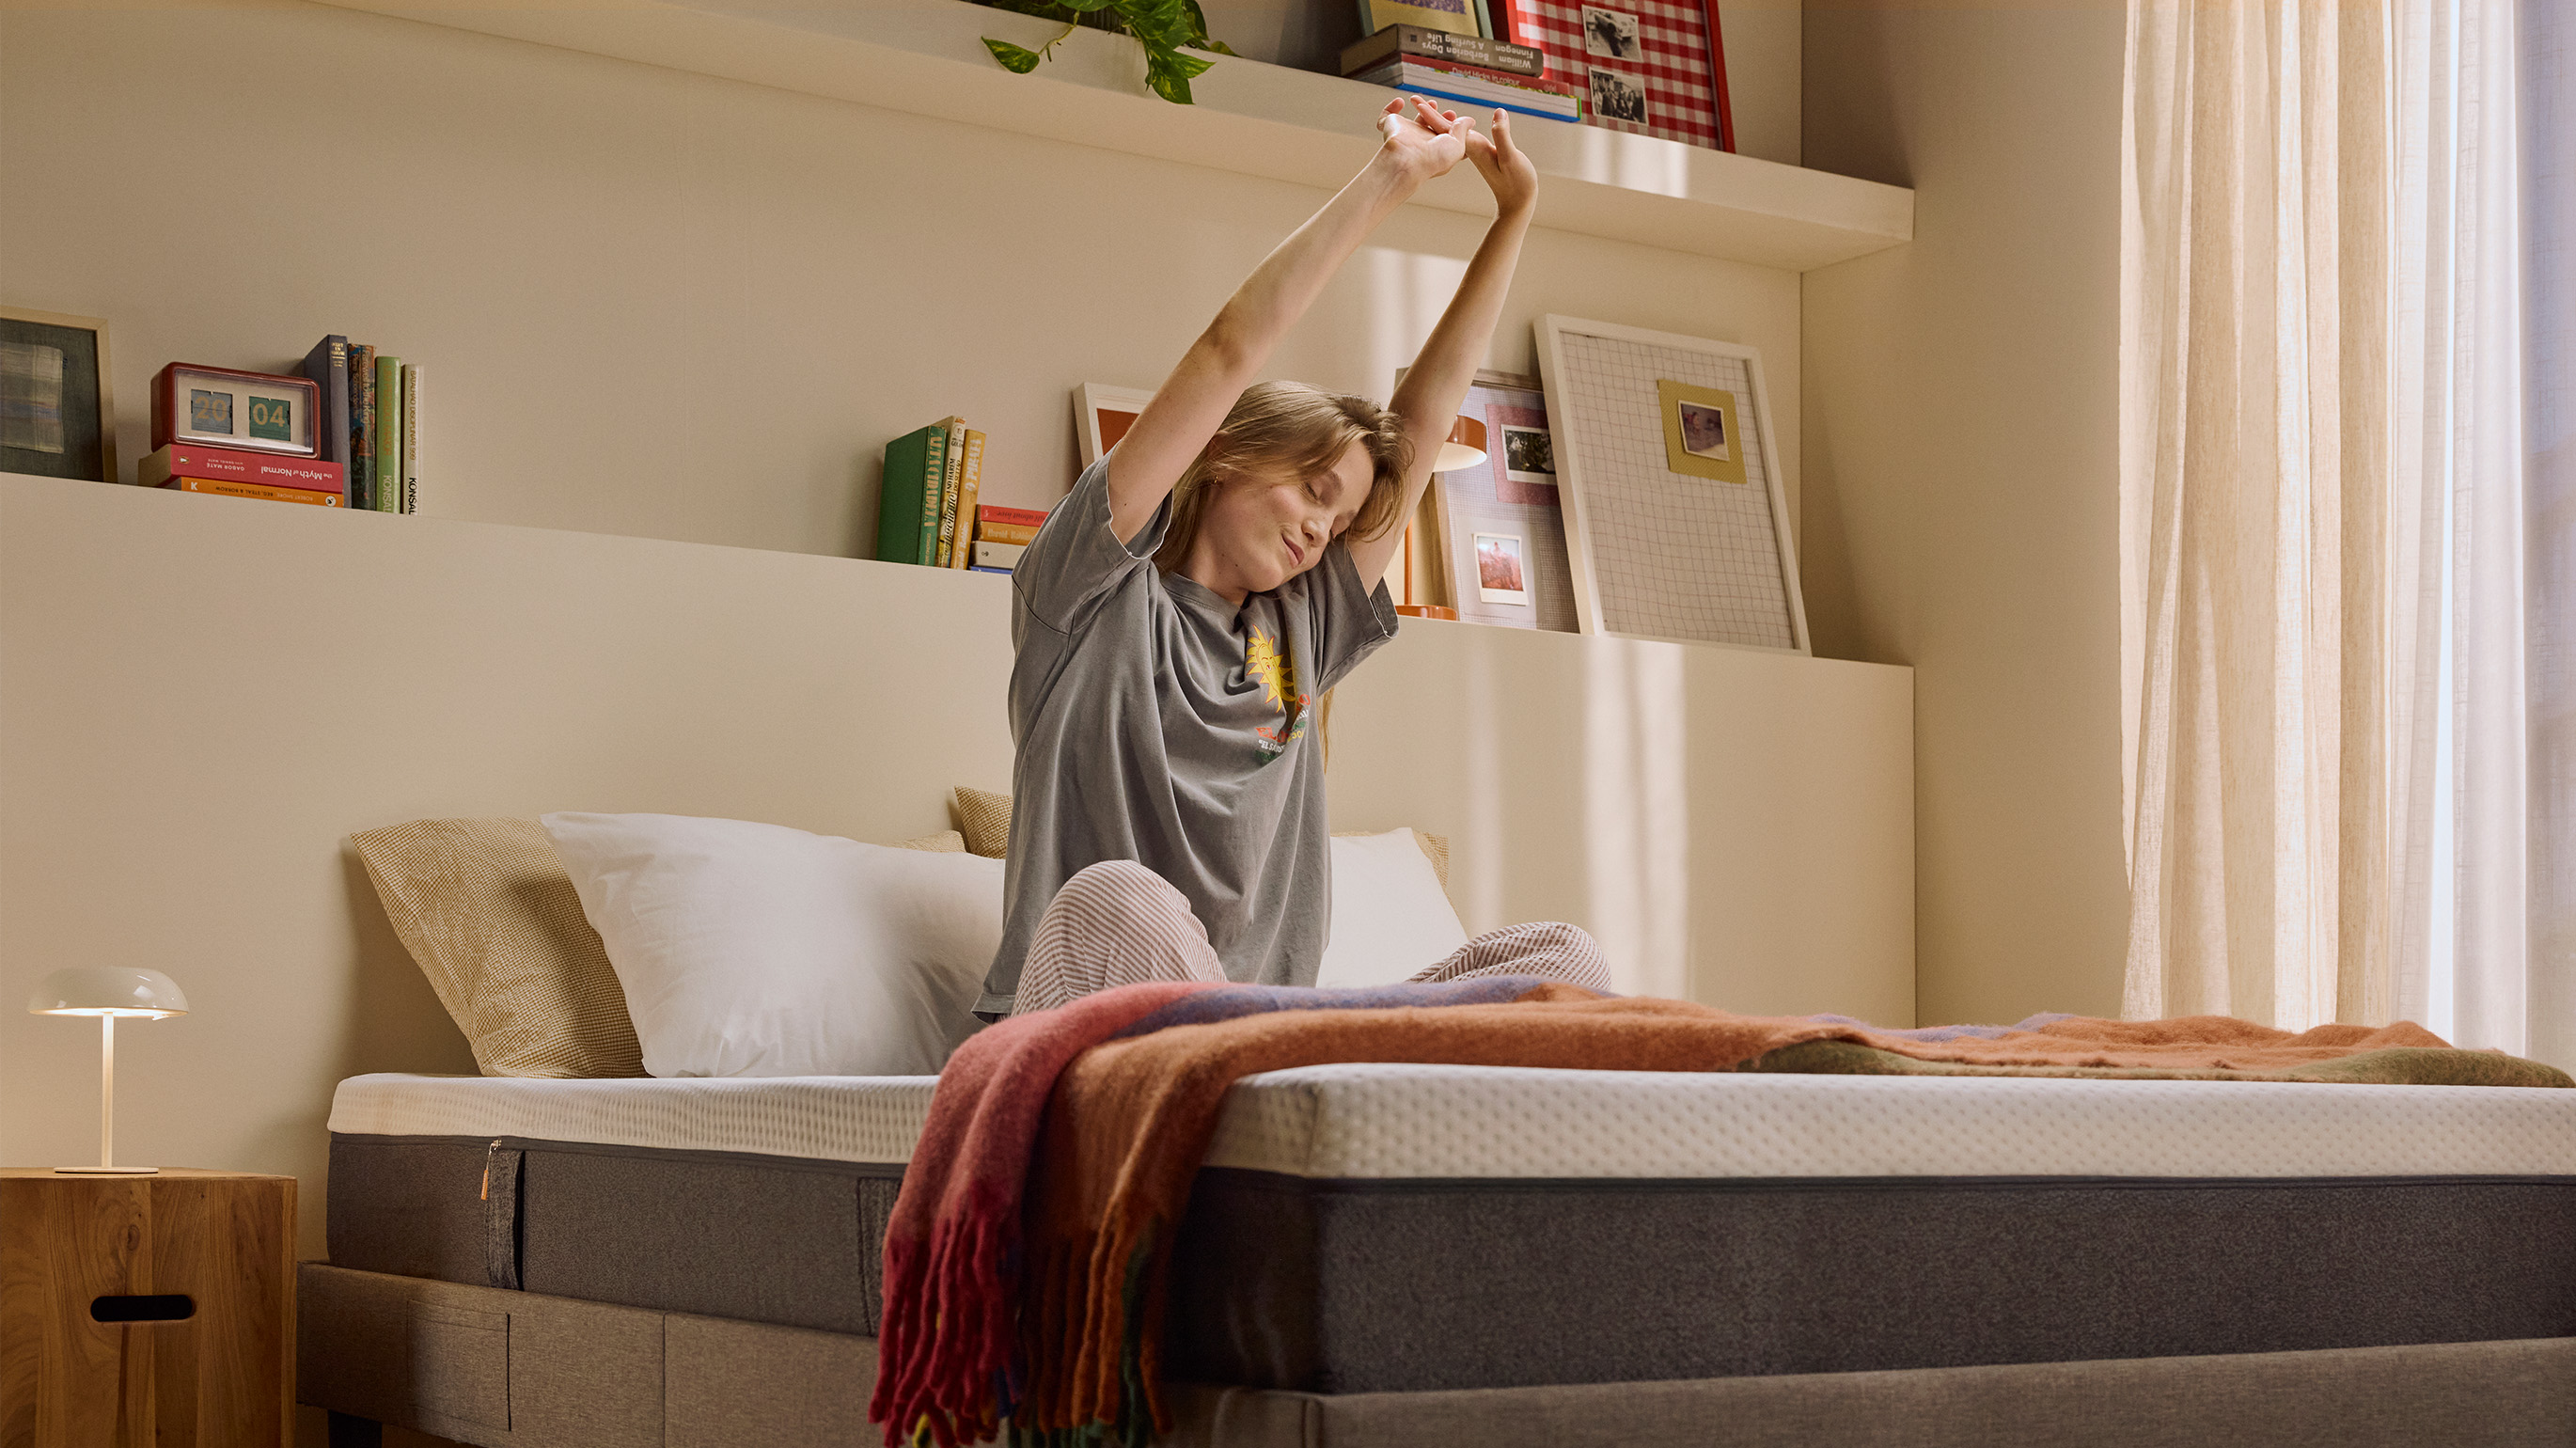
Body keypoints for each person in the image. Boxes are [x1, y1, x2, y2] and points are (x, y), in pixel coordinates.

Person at [975, 95, 1610, 1019]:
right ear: (1228, 456)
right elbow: (1230, 346)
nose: (1324, 530)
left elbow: (1424, 422)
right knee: (1123, 899)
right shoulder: (1091, 593)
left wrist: (1514, 215)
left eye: (1342, 514)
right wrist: (1391, 176)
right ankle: (1256, 1050)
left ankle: (1289, 1067)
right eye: (1313, 489)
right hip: (1082, 1023)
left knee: (1564, 960)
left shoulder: (1297, 623)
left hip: (1268, 1035)